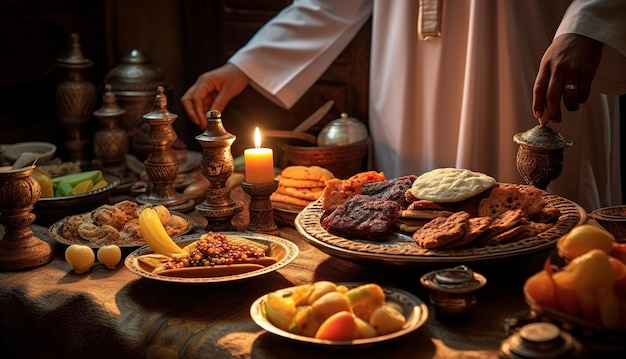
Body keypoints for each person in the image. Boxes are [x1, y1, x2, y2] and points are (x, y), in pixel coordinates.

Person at [181, 0, 626, 211]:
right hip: (407, 79)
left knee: (533, 218)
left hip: (518, 52)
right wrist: (245, 66)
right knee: (411, 218)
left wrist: (587, 22)